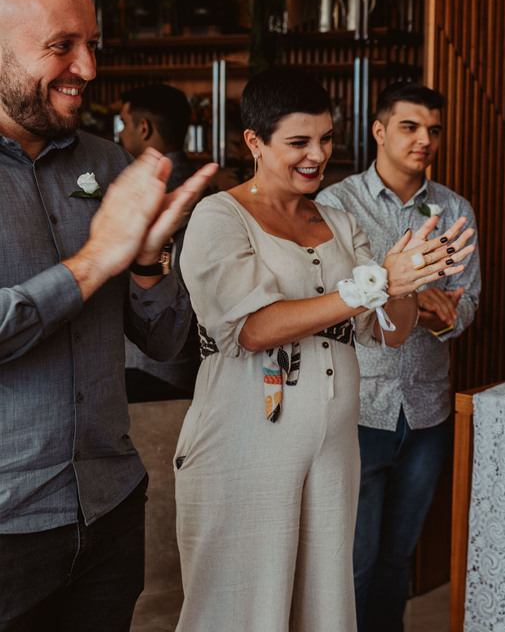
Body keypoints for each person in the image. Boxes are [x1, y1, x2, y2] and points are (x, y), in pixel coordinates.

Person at [173, 67, 476, 631]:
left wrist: (406, 283)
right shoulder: (220, 215)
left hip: (335, 441)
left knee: (323, 603)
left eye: (327, 139)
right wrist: (372, 284)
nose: (317, 155)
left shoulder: (339, 221)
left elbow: (387, 332)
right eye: (299, 142)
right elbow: (254, 328)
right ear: (255, 141)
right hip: (247, 432)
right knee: (243, 602)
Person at [0, 0, 216, 631]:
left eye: (92, 44)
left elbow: (164, 340)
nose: (88, 69)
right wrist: (94, 261)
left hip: (110, 507)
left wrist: (148, 262)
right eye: (61, 46)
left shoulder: (105, 163)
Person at [317, 81, 481, 631]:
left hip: (428, 411)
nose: (424, 140)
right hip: (359, 407)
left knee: (397, 559)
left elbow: (466, 303)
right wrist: (403, 292)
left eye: (434, 129)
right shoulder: (337, 204)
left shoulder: (454, 208)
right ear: (379, 130)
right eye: (410, 127)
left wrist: (437, 312)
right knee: (355, 561)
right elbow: (331, 302)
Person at [117, 83, 202, 401]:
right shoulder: (200, 185)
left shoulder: (157, 194)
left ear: (144, 127)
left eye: (124, 123)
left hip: (152, 365)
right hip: (185, 361)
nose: (120, 134)